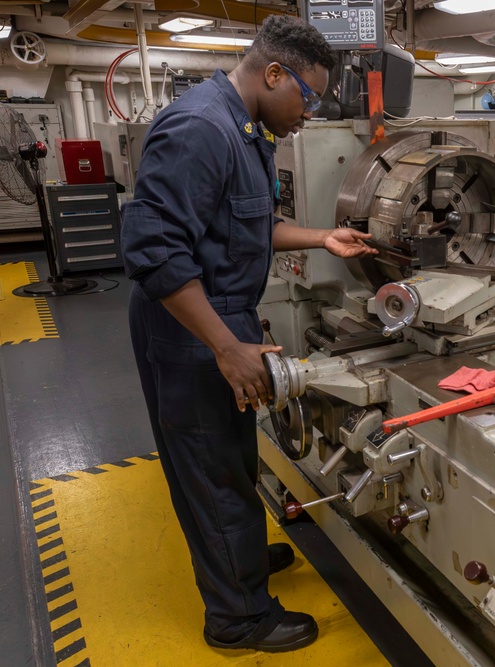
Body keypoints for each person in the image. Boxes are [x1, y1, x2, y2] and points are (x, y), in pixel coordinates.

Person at [121, 15, 377, 653]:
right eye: (308, 98)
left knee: (234, 459)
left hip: (218, 315)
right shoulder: (199, 130)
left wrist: (322, 236)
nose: (309, 114)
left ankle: (238, 561)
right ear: (272, 74)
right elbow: (154, 252)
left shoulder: (245, 130)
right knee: (212, 471)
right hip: (192, 322)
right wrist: (225, 346)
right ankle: (237, 619)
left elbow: (244, 225)